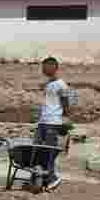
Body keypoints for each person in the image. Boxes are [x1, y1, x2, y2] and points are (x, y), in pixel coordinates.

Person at [35, 57, 68, 191]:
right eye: (42, 67)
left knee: (48, 152)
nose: (42, 70)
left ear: (54, 67)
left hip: (53, 123)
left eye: (45, 67)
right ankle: (42, 178)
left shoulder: (62, 85)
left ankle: (52, 179)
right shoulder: (48, 84)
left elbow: (67, 103)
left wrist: (65, 120)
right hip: (43, 122)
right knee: (36, 150)